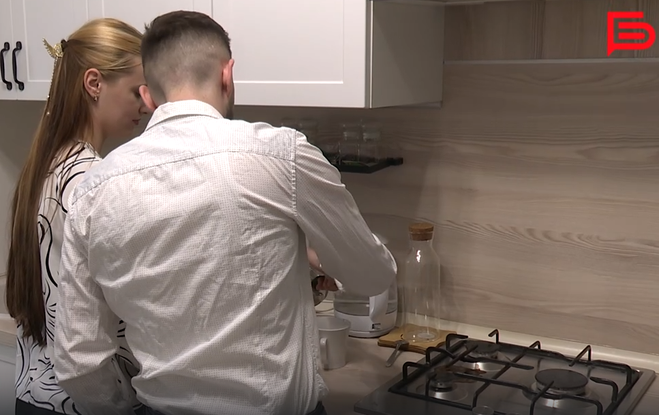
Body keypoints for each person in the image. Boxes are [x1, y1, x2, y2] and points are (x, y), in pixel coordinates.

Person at [52, 10, 397, 415]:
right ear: (227, 74)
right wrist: (325, 254)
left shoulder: (92, 191)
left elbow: (78, 361)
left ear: (148, 96)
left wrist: (122, 407)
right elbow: (372, 275)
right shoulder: (282, 156)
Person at [4, 18, 149, 415]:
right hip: (80, 402)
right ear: (94, 83)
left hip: (33, 394)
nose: (146, 103)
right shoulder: (91, 179)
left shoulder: (47, 164)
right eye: (136, 90)